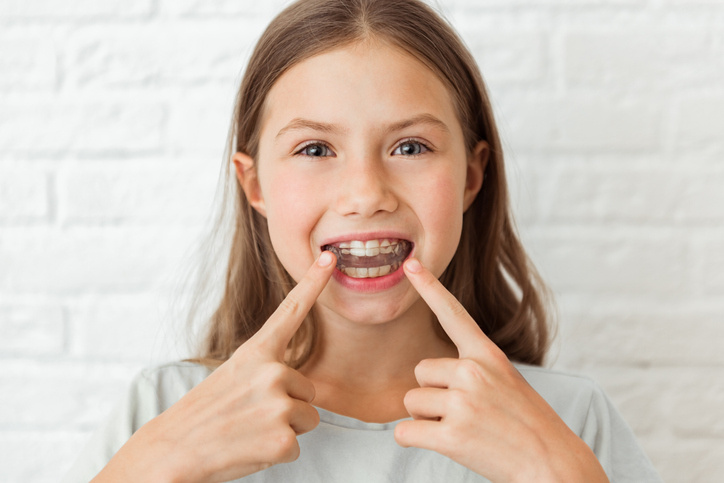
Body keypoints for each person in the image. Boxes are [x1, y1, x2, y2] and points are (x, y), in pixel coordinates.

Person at [63, 0, 662, 481]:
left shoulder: (570, 419)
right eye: (315, 149)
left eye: (410, 147)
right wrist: (154, 467)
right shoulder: (164, 410)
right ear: (255, 185)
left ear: (472, 178)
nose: (366, 193)